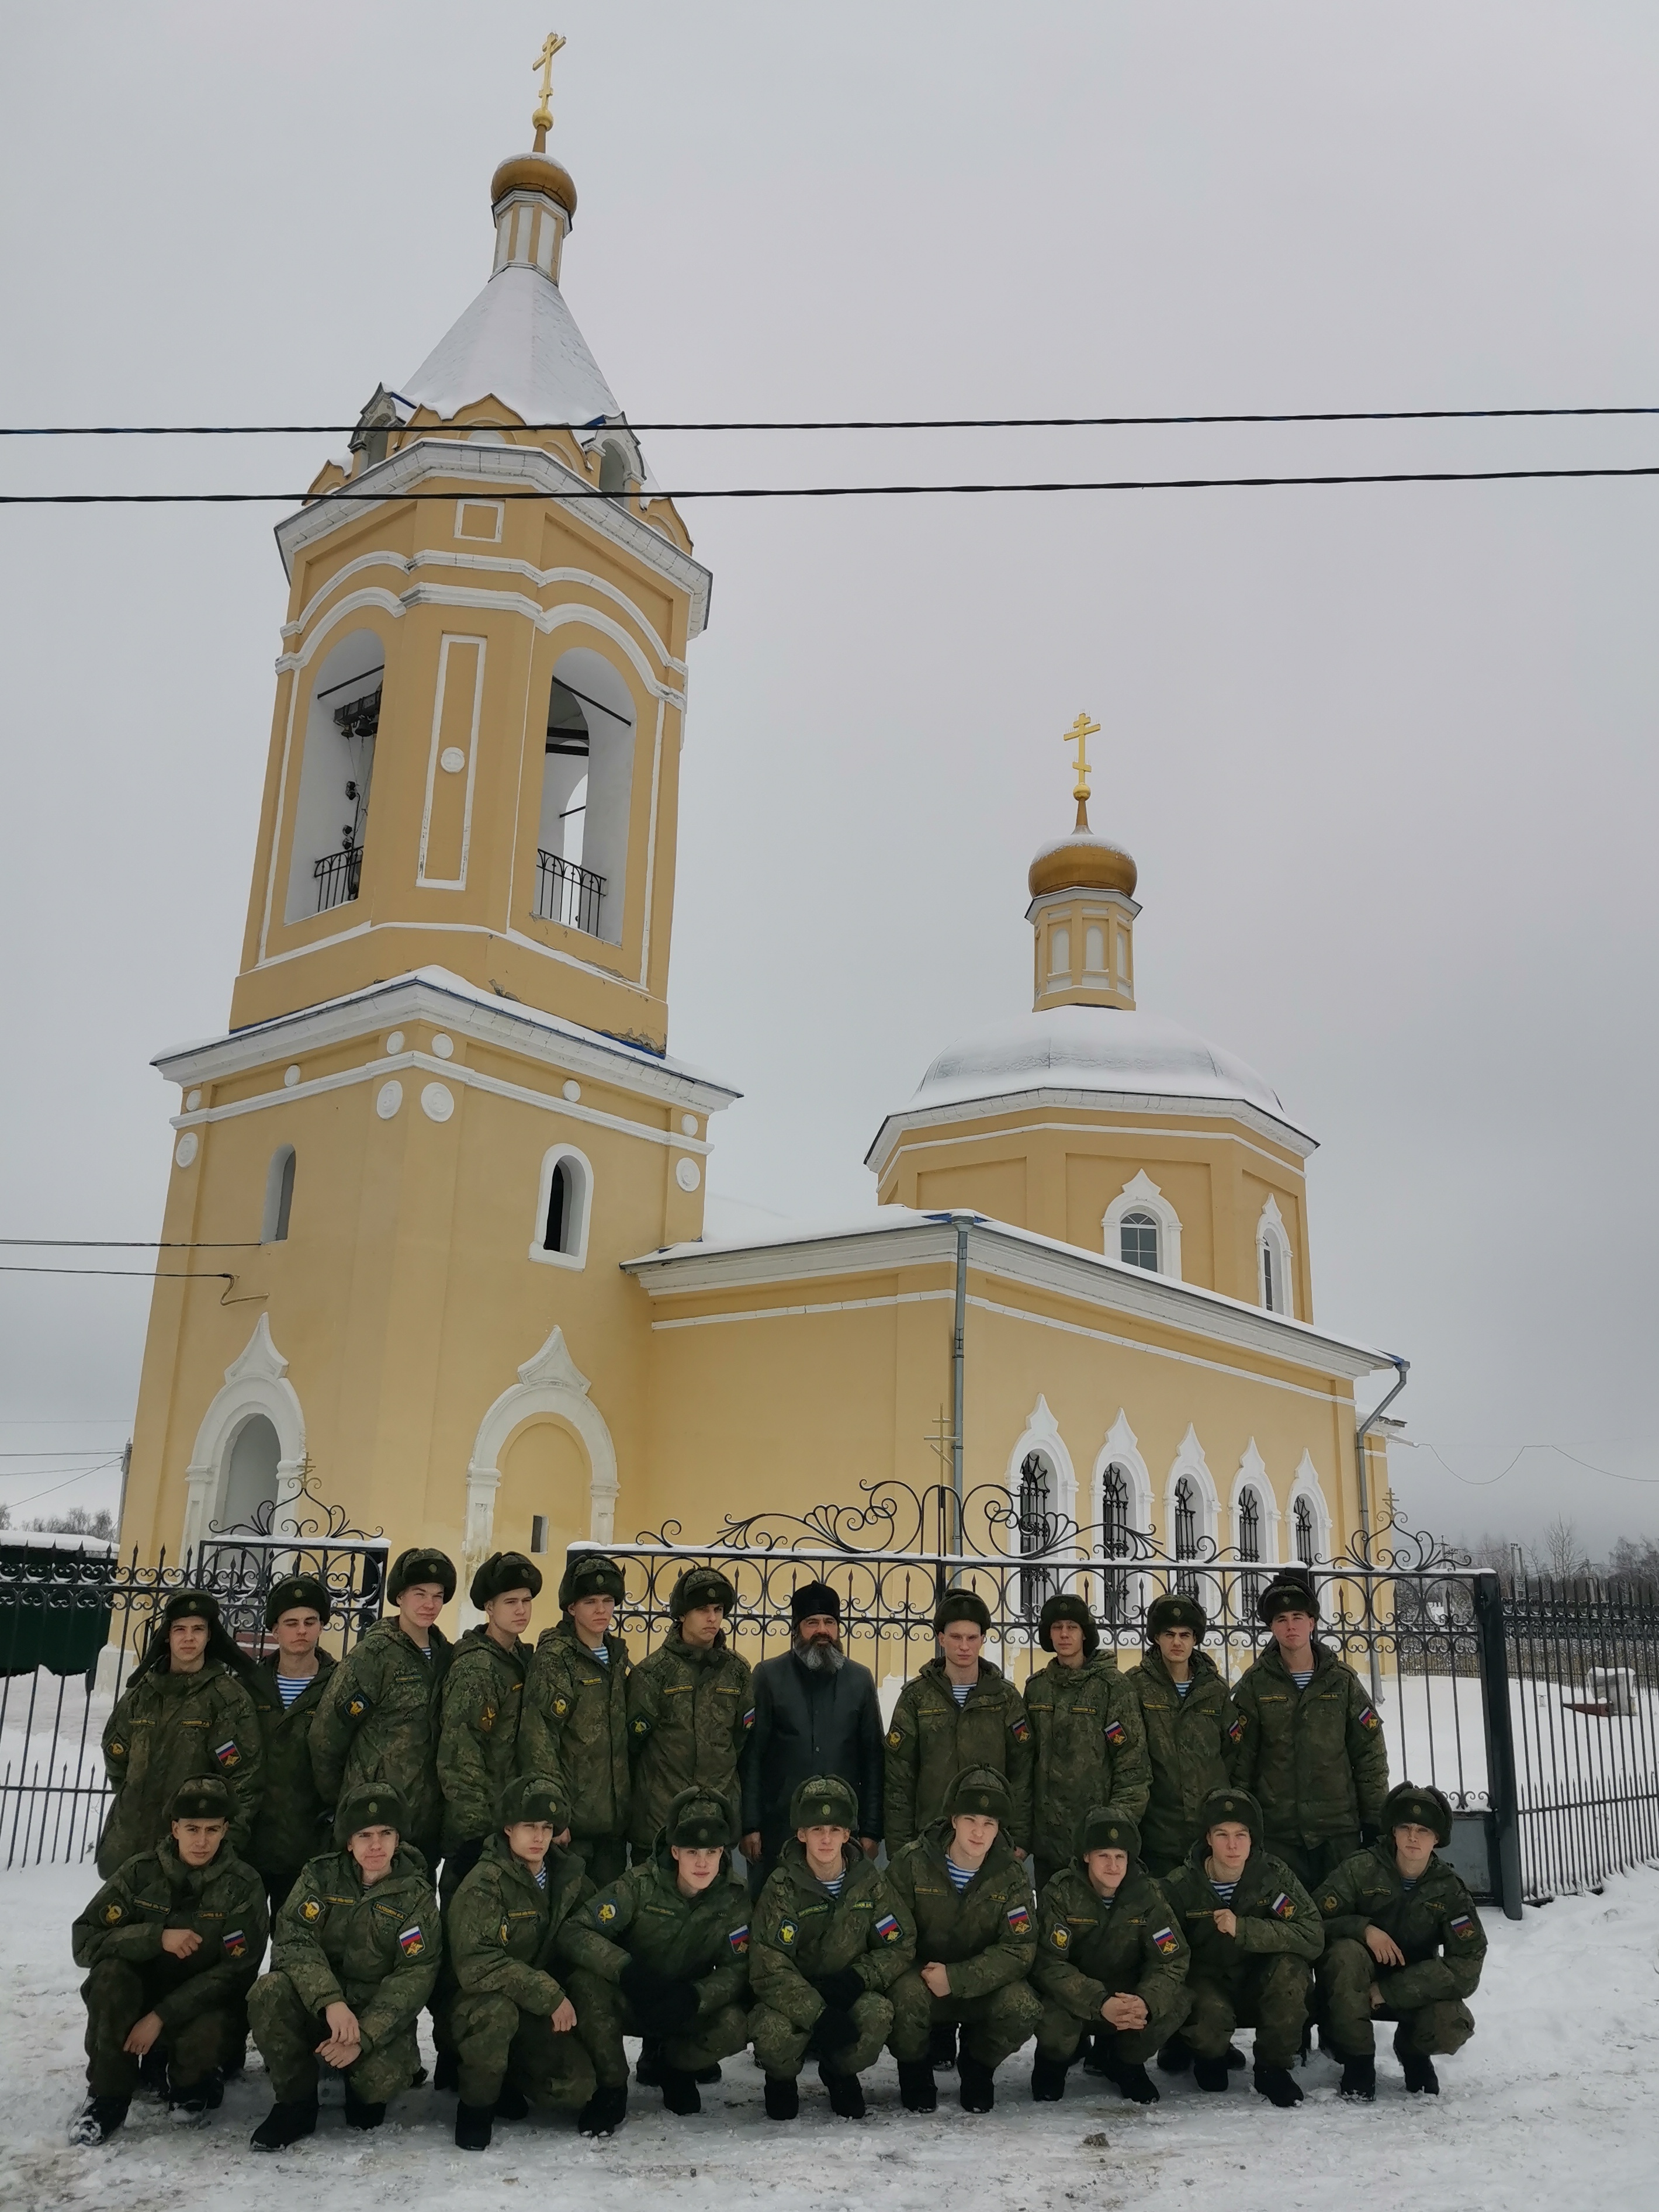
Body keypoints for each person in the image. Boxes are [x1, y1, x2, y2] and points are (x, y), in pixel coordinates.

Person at [69, 1774, 268, 2145]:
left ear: (226, 1830)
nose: (202, 1840)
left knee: (196, 2065)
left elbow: (237, 1972)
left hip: (202, 2004)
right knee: (111, 1975)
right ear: (175, 1828)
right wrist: (155, 1937)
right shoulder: (139, 1873)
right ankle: (107, 2099)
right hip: (138, 1995)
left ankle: (188, 2073)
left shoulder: (244, 1885)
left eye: (212, 1829)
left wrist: (160, 2017)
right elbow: (85, 1941)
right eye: (192, 1828)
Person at [246, 1781, 440, 2149]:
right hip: (320, 2005)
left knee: (369, 2103)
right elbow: (293, 1939)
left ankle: (357, 2073)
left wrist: (364, 2037)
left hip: (375, 2014)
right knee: (268, 1992)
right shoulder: (319, 1877)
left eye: (386, 1833)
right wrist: (330, 2001)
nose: (375, 1845)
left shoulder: (416, 1894)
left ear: (399, 1839)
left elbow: (415, 1975)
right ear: (349, 1841)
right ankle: (295, 2104)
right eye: (364, 1835)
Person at [561, 1785, 754, 2133]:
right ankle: (612, 2086)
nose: (702, 1863)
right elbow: (576, 1931)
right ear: (675, 1850)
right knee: (586, 1985)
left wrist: (697, 1996)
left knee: (736, 2023)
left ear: (724, 1852)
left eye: (712, 1852)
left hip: (684, 2005)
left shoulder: (734, 1898)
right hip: (633, 1997)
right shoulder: (639, 1885)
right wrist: (626, 1970)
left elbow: (737, 1968)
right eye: (692, 1851)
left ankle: (675, 2066)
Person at [748, 1774, 916, 2121]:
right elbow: (768, 1965)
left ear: (847, 1834)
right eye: (816, 1829)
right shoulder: (781, 1887)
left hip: (848, 1992)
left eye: (835, 1830)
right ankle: (781, 2079)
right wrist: (817, 2012)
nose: (826, 1839)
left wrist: (859, 1978)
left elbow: (901, 1943)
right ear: (801, 1834)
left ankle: (839, 2072)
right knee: (771, 2030)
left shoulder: (869, 1882)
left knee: (878, 2014)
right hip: (795, 1997)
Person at [445, 1774, 597, 2150]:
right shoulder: (485, 1883)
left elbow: (596, 1928)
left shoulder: (567, 1877)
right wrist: (548, 1994)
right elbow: (477, 1963)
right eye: (529, 1826)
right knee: (496, 2015)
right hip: (479, 2003)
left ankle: (511, 2075)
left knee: (576, 2088)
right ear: (508, 1828)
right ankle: (476, 2107)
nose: (539, 1837)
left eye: (547, 1828)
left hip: (533, 2010)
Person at [884, 1766, 1042, 2114]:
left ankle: (978, 2067)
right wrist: (927, 1974)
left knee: (1023, 2006)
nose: (979, 1832)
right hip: (922, 1982)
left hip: (978, 1987)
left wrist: (957, 1978)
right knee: (903, 1997)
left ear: (999, 1828)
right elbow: (890, 1934)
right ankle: (915, 2070)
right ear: (953, 1819)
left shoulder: (1011, 1875)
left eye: (989, 1823)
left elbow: (1019, 1949)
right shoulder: (911, 1864)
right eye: (970, 1819)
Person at [1315, 1781, 1488, 2099]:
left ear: (1437, 1839)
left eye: (1423, 1831)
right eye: (1405, 1827)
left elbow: (1468, 1962)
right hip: (1355, 1984)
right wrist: (1363, 1929)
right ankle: (1358, 2060)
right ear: (1392, 1832)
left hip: (1414, 1988)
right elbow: (1312, 1922)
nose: (1412, 1837)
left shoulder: (1448, 1889)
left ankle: (1413, 2052)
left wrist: (1391, 1990)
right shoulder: (1360, 1869)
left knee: (1452, 2024)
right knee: (1344, 1955)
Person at [1157, 1786, 1322, 2106]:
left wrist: (1245, 1929)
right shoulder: (1181, 1886)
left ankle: (1273, 2068)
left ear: (1253, 1839)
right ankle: (1208, 2055)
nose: (1232, 1845)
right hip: (1209, 1985)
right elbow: (1163, 1953)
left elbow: (1313, 1934)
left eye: (1241, 1835)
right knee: (1211, 2064)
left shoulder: (1273, 1877)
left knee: (1292, 1970)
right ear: (1208, 1838)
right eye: (1222, 1835)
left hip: (1260, 1982)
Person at [1227, 1571, 1390, 1889]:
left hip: (1337, 1830)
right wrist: (1243, 1821)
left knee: (1343, 1918)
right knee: (1288, 1923)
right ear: (1272, 1628)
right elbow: (1240, 1760)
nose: (1291, 1626)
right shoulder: (1255, 1684)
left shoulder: (1341, 1680)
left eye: (1298, 1617)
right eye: (1282, 1619)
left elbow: (1369, 1753)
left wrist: (1375, 1819)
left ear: (1312, 1623)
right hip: (1279, 1833)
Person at [1028, 1805, 1191, 2106]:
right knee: (1051, 2019)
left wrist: (1145, 2001)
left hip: (1128, 1999)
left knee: (1177, 2000)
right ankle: (1052, 2064)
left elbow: (1171, 1959)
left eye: (1120, 1857)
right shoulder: (1061, 1892)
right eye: (1104, 1855)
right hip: (1075, 2000)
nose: (1113, 1866)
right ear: (1087, 1856)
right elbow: (1049, 1962)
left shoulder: (1147, 1894)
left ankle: (1123, 2062)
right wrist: (1099, 2001)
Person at [97, 1588, 263, 1877]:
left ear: (209, 1636)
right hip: (130, 1851)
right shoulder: (140, 1695)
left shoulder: (227, 1699)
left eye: (198, 1629)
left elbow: (244, 1780)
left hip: (192, 1859)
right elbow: (116, 1755)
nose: (189, 1638)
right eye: (180, 1629)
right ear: (167, 1636)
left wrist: (222, 1845)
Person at [310, 1546, 456, 1872]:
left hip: (425, 1820)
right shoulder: (374, 1656)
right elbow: (327, 1734)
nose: (429, 1604)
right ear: (400, 1597)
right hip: (374, 1820)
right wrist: (347, 1799)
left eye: (437, 1595)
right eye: (419, 1593)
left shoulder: (446, 1655)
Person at [740, 1582, 884, 1890]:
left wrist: (871, 1830)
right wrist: (750, 1826)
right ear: (797, 1629)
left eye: (830, 1622)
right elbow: (751, 1755)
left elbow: (874, 1758)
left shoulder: (859, 1680)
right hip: (779, 1829)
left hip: (843, 1831)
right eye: (813, 1623)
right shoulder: (768, 1676)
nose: (823, 1630)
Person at [883, 1592, 1033, 1867]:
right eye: (956, 1637)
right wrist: (899, 1846)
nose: (964, 1646)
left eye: (972, 1638)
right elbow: (899, 1777)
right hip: (929, 1841)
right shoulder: (917, 1697)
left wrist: (1019, 1839)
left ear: (982, 1640)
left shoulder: (1005, 1698)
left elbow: (1022, 1771)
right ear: (941, 1639)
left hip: (991, 1840)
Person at [1024, 1591, 1149, 1893]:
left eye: (1072, 1627)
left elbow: (1132, 1764)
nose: (1064, 1635)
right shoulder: (1037, 1688)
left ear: (1085, 1634)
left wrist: (1115, 1829)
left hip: (1098, 1843)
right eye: (1057, 1627)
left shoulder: (1113, 1687)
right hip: (1047, 1841)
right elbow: (1023, 1761)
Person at [520, 1550, 633, 1887]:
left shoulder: (616, 1657)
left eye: (608, 1601)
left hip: (612, 1822)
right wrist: (553, 1813)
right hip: (573, 1825)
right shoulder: (557, 1659)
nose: (602, 1610)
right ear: (571, 1608)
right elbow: (539, 1739)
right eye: (590, 1602)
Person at [626, 1564, 751, 1856]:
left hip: (717, 1823)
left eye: (718, 1609)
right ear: (682, 1614)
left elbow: (742, 1739)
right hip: (661, 1825)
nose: (712, 1618)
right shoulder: (653, 1673)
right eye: (702, 1609)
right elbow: (633, 1744)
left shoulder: (737, 1672)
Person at [1127, 1593, 1246, 1877]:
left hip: (1207, 1828)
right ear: (1156, 1638)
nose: (1177, 1643)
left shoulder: (1214, 1689)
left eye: (1185, 1635)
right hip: (1158, 1829)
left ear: (1195, 1639)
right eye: (1169, 1634)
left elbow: (1233, 1751)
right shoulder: (1134, 1685)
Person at [246, 1574, 337, 1918]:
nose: (301, 1631)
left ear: (320, 1627)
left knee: (297, 1949)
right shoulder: (248, 1687)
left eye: (310, 1622)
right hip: (252, 1841)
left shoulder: (339, 1685)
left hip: (310, 1841)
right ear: (275, 1630)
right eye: (291, 1623)